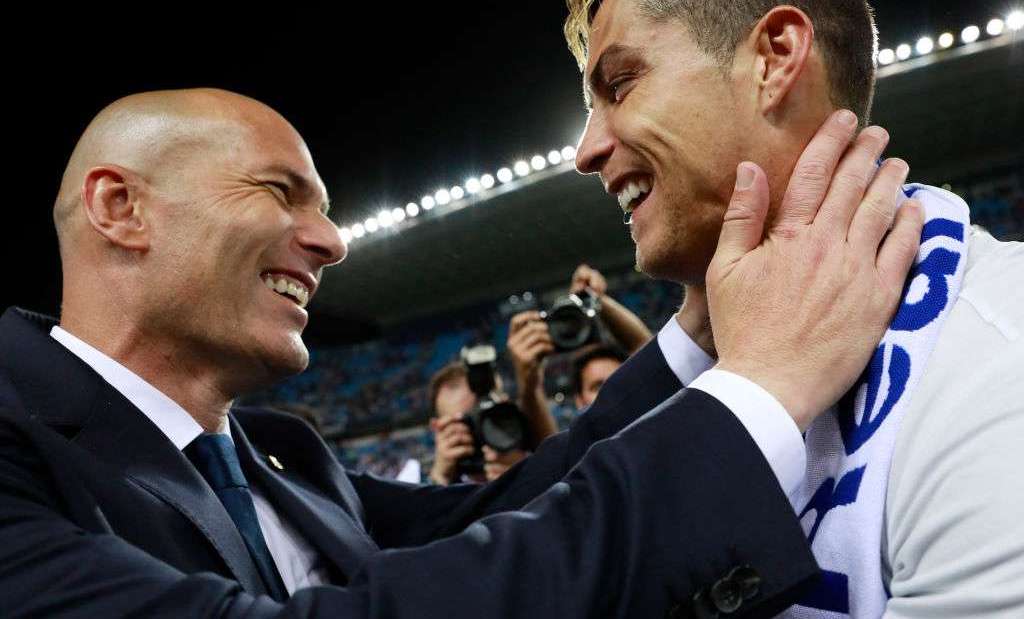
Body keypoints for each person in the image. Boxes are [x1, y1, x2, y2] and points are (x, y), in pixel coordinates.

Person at [0, 88, 920, 618]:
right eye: (280, 192)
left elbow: (515, 506)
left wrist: (702, 334)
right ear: (121, 208)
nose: (332, 242)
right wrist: (760, 394)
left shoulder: (284, 455)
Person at [565, 1, 1024, 616]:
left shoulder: (997, 366)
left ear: (776, 57)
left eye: (620, 85)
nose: (586, 151)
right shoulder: (721, 367)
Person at [507, 263, 652, 431]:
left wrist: (597, 299)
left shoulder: (656, 428)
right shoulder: (581, 447)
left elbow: (647, 352)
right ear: (580, 400)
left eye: (619, 381)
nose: (610, 391)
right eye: (597, 386)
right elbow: (545, 441)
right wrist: (529, 386)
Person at [426, 361, 540, 484]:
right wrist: (439, 480)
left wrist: (525, 478)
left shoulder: (540, 462)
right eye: (468, 423)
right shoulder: (439, 487)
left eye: (489, 416)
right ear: (438, 428)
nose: (482, 430)